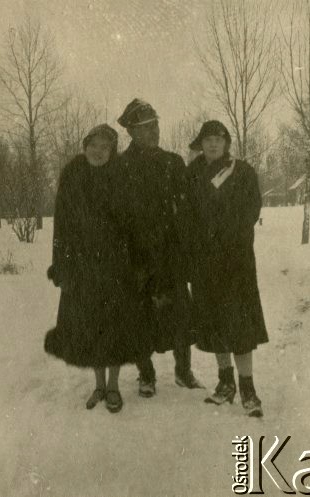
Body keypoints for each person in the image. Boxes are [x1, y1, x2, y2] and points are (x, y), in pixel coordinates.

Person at [44, 124, 150, 413]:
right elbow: (61, 224)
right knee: (91, 325)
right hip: (82, 266)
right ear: (85, 146)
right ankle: (99, 385)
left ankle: (113, 386)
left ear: (112, 151)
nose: (98, 151)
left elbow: (135, 224)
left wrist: (138, 264)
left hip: (117, 267)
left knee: (114, 327)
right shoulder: (73, 175)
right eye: (94, 145)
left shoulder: (123, 176)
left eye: (105, 147)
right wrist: (62, 265)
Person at [112, 98, 203, 398]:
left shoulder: (172, 163)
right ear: (132, 132)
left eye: (155, 125)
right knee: (140, 316)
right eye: (146, 127)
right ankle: (146, 374)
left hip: (169, 253)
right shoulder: (120, 167)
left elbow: (187, 208)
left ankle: (183, 371)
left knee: (180, 313)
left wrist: (186, 247)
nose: (154, 131)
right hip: (136, 255)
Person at [186, 120, 268, 417]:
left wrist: (227, 235)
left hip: (236, 261)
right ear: (200, 143)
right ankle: (225, 383)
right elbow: (185, 215)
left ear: (227, 143)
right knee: (215, 324)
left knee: (240, 327)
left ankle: (248, 389)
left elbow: (251, 210)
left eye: (218, 139)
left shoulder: (242, 171)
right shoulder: (192, 173)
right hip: (204, 262)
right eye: (207, 139)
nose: (213, 144)